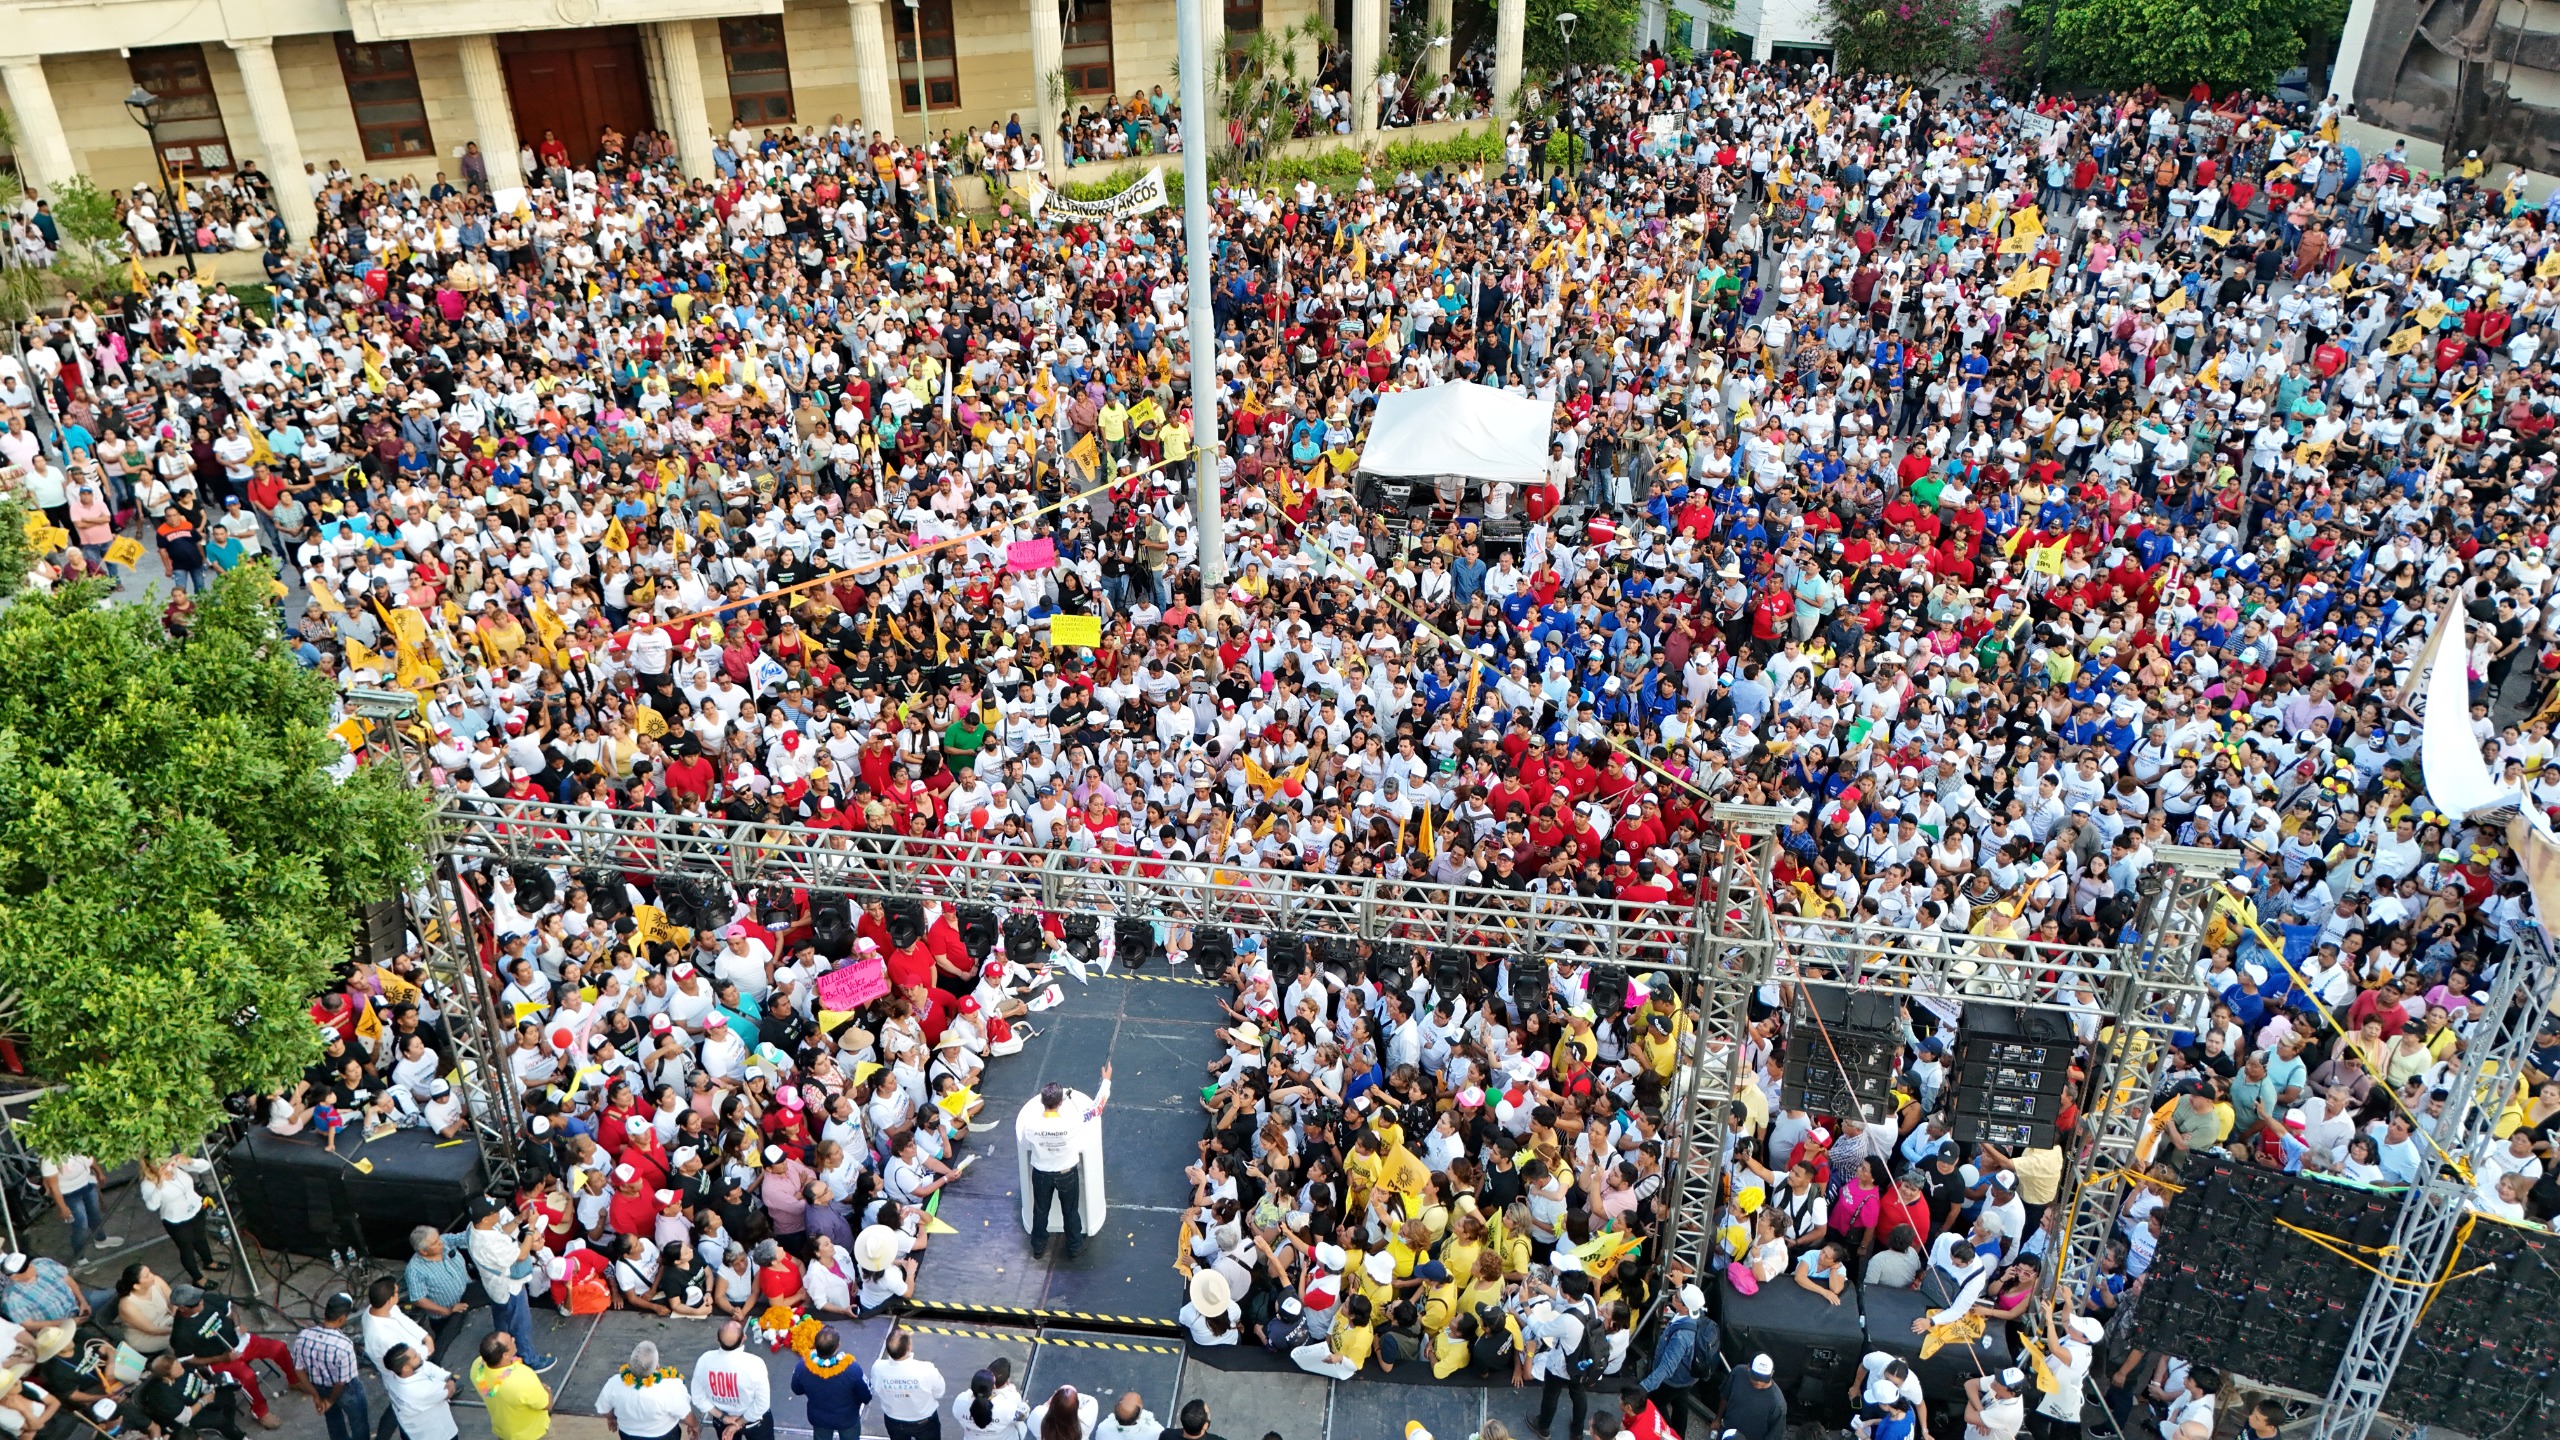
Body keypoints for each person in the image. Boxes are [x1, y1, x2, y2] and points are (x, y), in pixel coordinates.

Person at [1021, 1065, 1112, 1260]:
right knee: (1070, 1211)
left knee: (1040, 1211)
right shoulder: (1073, 1121)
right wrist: (1106, 1081)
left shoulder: (1030, 1124)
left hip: (1041, 1174)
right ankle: (1075, 1247)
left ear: (1042, 1101)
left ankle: (1038, 1247)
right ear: (1061, 1102)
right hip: (1066, 1174)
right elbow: (1097, 1109)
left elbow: (1027, 1143)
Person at [289, 1292, 368, 1440]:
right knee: (358, 1423)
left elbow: (298, 1369)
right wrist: (331, 1401)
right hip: (346, 1391)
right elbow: (341, 1382)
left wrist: (316, 1396)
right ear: (342, 1318)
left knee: (333, 1420)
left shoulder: (303, 1336)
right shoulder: (344, 1346)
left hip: (319, 1387)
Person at [691, 1321, 774, 1440]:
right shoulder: (755, 1364)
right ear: (744, 1338)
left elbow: (698, 1398)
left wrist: (724, 1418)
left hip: (722, 1422)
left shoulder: (704, 1360)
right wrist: (739, 1422)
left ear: (717, 1339)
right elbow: (762, 1405)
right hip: (754, 1422)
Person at [595, 1342, 693, 1440]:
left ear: (629, 1364)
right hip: (664, 1436)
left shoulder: (614, 1383)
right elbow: (685, 1414)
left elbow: (604, 1409)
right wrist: (695, 1425)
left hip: (629, 1436)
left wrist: (611, 1419)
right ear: (657, 1367)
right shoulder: (670, 1387)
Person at [790, 1328, 874, 1440]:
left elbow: (796, 1389)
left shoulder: (802, 1366)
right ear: (838, 1346)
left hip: (819, 1420)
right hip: (847, 1420)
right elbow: (866, 1395)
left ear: (815, 1345)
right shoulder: (852, 1369)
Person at [470, 1332, 553, 1440]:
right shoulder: (522, 1378)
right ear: (505, 1355)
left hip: (504, 1433)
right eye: (511, 1341)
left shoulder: (477, 1367)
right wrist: (546, 1389)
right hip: (533, 1434)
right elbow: (546, 1404)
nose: (514, 1339)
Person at [872, 1328, 947, 1440]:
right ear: (909, 1348)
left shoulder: (878, 1368)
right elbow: (939, 1392)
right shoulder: (926, 1369)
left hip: (893, 1421)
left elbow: (877, 1389)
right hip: (924, 1422)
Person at [378, 1344, 460, 1440]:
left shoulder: (392, 1376)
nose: (419, 1355)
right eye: (415, 1356)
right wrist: (451, 1379)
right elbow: (449, 1390)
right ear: (406, 1369)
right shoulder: (419, 1391)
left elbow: (427, 1366)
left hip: (411, 1432)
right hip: (438, 1435)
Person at [1721, 1353, 1788, 1440]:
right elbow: (1725, 1395)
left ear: (1772, 1374)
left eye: (1764, 1379)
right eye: (1756, 1378)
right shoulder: (1737, 1372)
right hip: (1728, 1434)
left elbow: (1775, 1435)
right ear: (1748, 1368)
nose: (1759, 1383)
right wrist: (1717, 1420)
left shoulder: (1778, 1403)